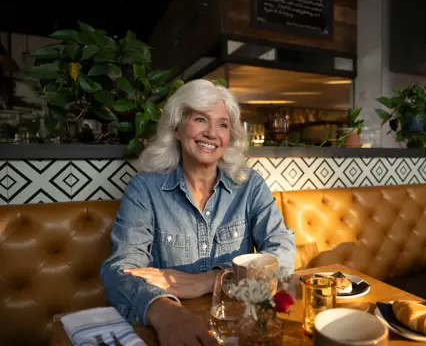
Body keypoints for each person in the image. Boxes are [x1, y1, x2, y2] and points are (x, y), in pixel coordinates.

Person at [100, 79, 296, 346]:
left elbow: (282, 252)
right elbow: (119, 271)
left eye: (223, 124)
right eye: (200, 120)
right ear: (177, 128)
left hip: (241, 324)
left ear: (230, 137)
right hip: (172, 327)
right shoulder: (144, 189)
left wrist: (212, 279)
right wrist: (165, 312)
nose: (212, 133)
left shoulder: (250, 185)